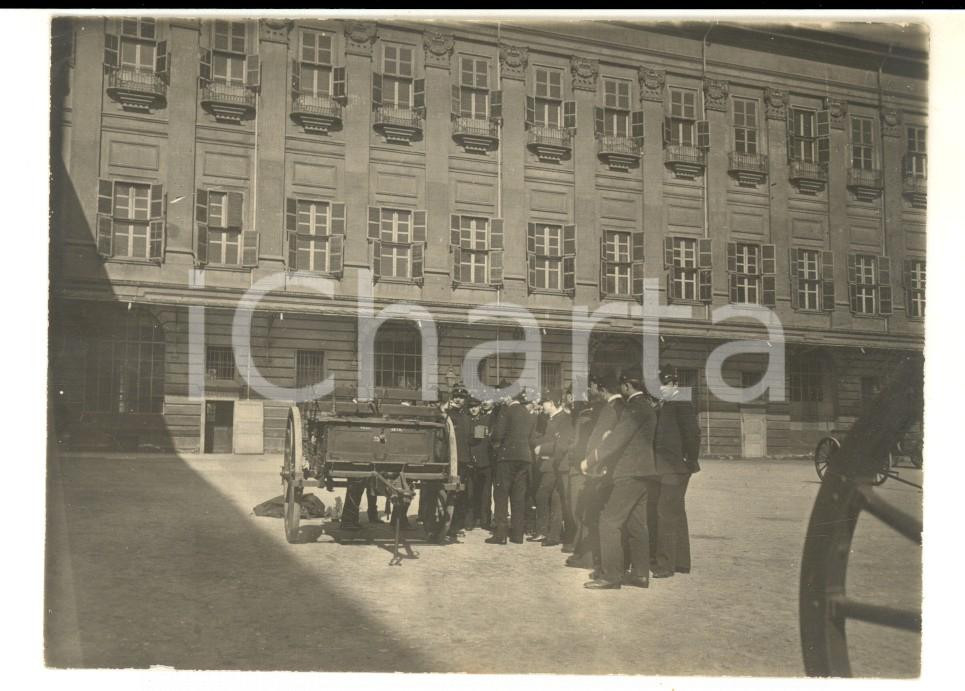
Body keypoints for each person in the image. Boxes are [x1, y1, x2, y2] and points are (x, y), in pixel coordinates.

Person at [583, 368, 658, 590]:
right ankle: (640, 574)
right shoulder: (648, 407)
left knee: (608, 521)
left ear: (627, 386)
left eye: (623, 386)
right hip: (645, 472)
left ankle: (611, 576)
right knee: (637, 524)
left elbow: (618, 438)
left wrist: (592, 459)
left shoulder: (634, 408)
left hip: (629, 472)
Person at [649, 365, 701, 577]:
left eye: (665, 384)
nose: (661, 388)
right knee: (675, 512)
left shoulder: (681, 402)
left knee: (665, 513)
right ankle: (680, 562)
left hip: (676, 467)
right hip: (667, 467)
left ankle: (665, 565)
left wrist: (689, 459)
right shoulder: (667, 403)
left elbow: (693, 434)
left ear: (674, 384)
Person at [571, 371, 624, 574]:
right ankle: (590, 557)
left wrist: (592, 464)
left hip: (599, 468)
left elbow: (601, 441)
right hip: (603, 467)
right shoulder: (614, 407)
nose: (589, 390)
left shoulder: (610, 409)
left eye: (592, 386)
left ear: (601, 389)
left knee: (594, 514)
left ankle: (592, 559)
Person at [486, 388, 536, 545]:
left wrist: (492, 437)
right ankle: (517, 535)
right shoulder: (528, 413)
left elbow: (498, 434)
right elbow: (532, 438)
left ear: (509, 397)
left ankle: (500, 535)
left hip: (507, 457)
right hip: (524, 457)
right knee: (518, 496)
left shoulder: (506, 411)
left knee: (501, 495)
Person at [529, 388, 573, 547]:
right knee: (554, 499)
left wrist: (542, 448)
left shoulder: (564, 419)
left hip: (556, 464)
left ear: (552, 404)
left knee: (542, 495)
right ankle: (552, 535)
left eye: (545, 403)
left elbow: (561, 443)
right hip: (549, 464)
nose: (542, 406)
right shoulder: (551, 419)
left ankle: (544, 532)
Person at [443, 384, 473, 540]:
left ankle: (456, 526)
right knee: (450, 494)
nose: (458, 399)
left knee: (461, 495)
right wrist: (444, 409)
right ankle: (447, 527)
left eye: (461, 397)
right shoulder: (447, 415)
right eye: (456, 396)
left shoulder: (467, 417)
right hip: (451, 460)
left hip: (464, 460)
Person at [467, 396, 494, 531]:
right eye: (471, 407)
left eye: (476, 407)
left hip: (485, 462)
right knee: (470, 493)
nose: (473, 409)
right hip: (471, 462)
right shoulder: (467, 420)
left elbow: (476, 437)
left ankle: (485, 520)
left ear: (479, 408)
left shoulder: (486, 419)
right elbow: (473, 437)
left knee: (486, 493)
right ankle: (470, 520)